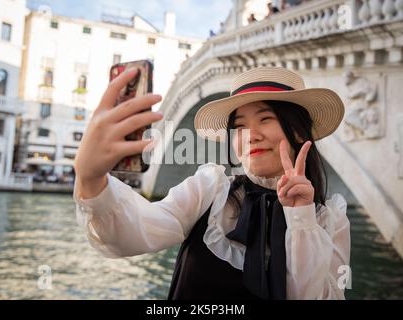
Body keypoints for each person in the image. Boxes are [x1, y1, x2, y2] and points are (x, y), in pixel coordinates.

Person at [73, 66, 350, 300]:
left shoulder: (331, 219)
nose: (251, 135)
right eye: (239, 126)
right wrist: (90, 179)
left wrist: (301, 218)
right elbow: (134, 232)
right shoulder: (211, 189)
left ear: (299, 131)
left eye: (266, 118)